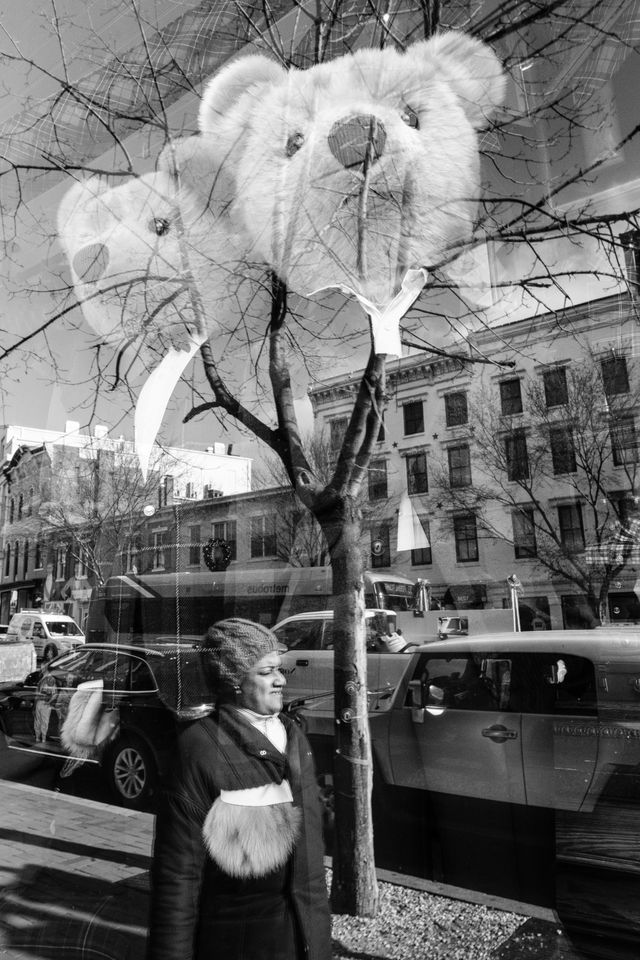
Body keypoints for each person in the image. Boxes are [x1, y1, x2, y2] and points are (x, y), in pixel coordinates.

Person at [147, 618, 332, 960]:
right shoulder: (200, 751)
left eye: (280, 669)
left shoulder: (294, 736)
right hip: (241, 946)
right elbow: (178, 882)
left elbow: (309, 831)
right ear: (233, 679)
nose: (280, 680)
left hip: (307, 938)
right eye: (266, 672)